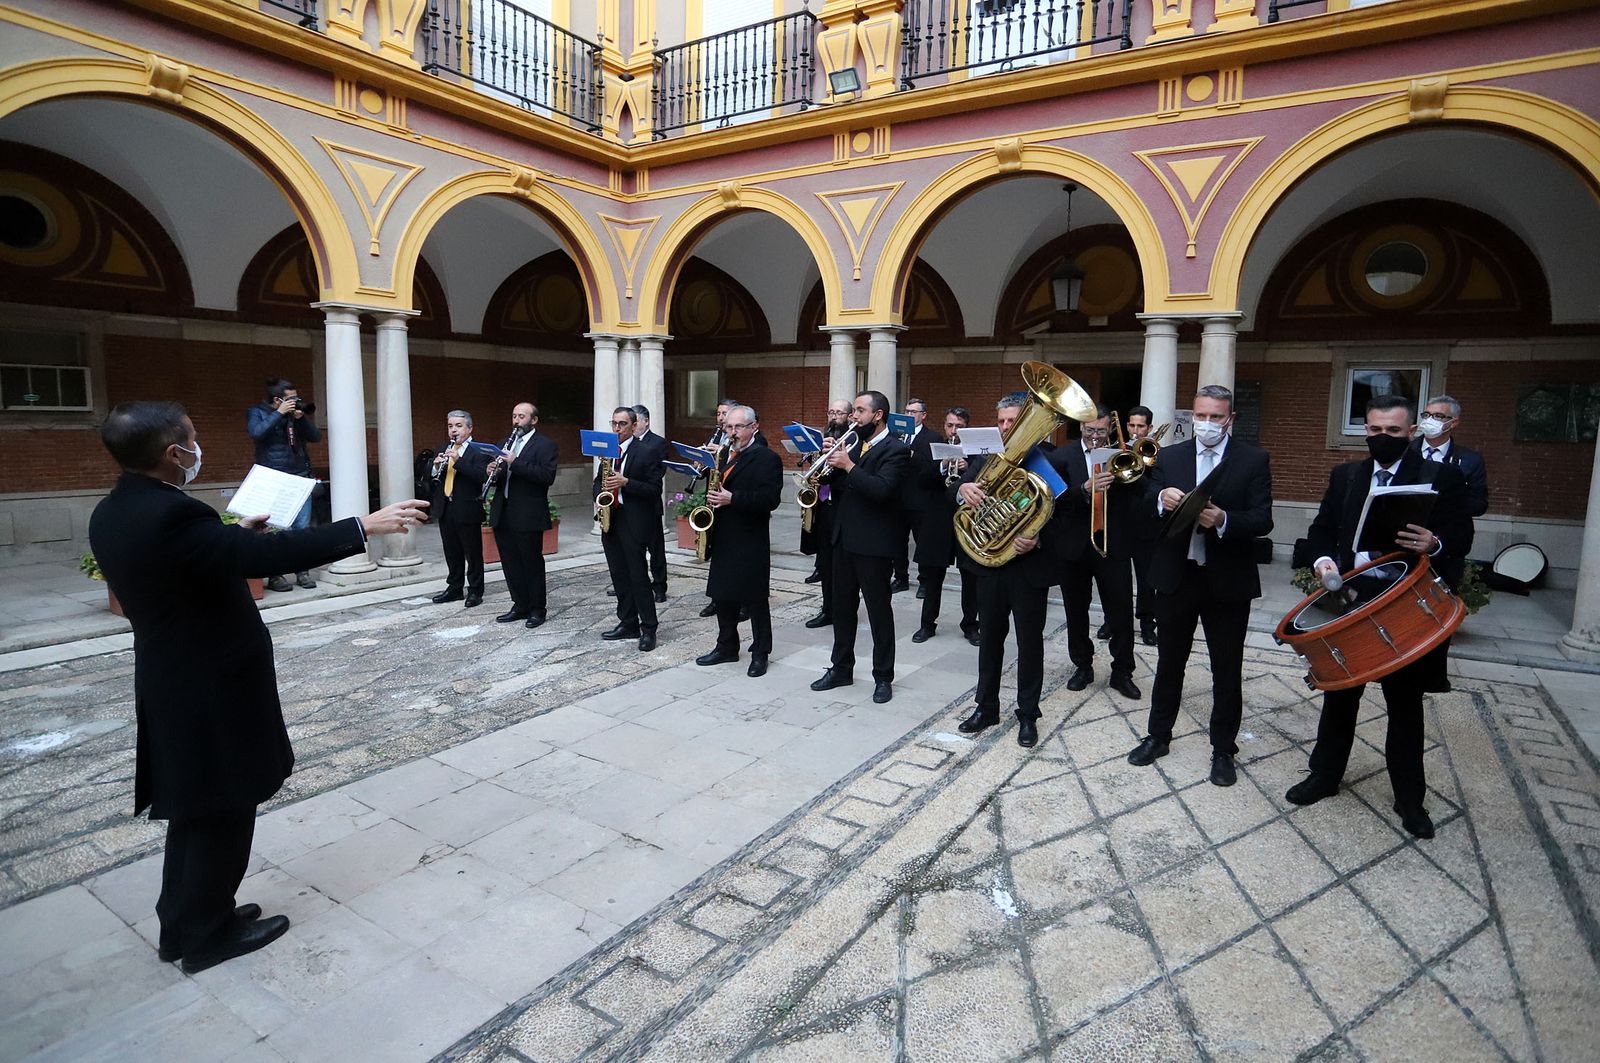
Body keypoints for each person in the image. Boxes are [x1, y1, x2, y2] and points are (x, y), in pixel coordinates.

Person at [88, 401, 425, 973]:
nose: (198, 448)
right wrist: (363, 525)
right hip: (208, 684)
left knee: (196, 808)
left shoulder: (115, 509)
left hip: (174, 675)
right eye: (192, 439)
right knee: (223, 805)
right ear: (174, 453)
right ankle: (205, 936)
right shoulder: (172, 515)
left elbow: (195, 562)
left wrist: (232, 536)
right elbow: (268, 555)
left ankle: (189, 920)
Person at [1289, 394, 1474, 839]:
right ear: (1365, 431)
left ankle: (1410, 799)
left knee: (1405, 705)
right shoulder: (1347, 476)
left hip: (1405, 603)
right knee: (1339, 694)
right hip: (1350, 598)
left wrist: (1435, 542)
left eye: (1392, 431)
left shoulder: (1440, 476)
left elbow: (1462, 535)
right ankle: (1325, 776)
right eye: (1374, 430)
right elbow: (1320, 532)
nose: (1382, 438)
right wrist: (1322, 562)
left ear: (1411, 432)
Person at [1126, 385, 1274, 788]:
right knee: (1170, 663)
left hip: (1227, 580)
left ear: (1230, 419)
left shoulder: (1253, 459)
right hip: (1178, 576)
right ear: (1191, 416)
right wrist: (1160, 498)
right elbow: (1143, 507)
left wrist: (1224, 520)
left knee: (1227, 668)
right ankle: (1158, 735)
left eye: (1216, 417)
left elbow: (1263, 519)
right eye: (1200, 416)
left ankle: (1224, 749)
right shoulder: (1169, 456)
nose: (1207, 424)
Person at [954, 394, 1063, 747]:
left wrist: (1038, 539)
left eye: (1011, 421)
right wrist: (963, 490)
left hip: (1029, 570)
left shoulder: (1049, 462)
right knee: (990, 641)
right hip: (990, 567)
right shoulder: (987, 460)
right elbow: (954, 497)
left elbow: (1066, 517)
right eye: (1000, 421)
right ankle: (986, 707)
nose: (1005, 428)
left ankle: (1028, 715)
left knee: (1030, 644)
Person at [811, 390, 909, 704]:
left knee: (879, 612)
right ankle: (841, 668)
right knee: (842, 608)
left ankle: (883, 676)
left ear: (878, 415)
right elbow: (841, 488)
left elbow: (882, 490)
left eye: (861, 412)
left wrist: (849, 466)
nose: (854, 417)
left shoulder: (896, 449)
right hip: (844, 539)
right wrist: (827, 467)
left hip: (875, 544)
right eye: (854, 411)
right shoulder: (855, 444)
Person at [1055, 408, 1141, 701]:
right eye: (1089, 430)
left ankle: (1122, 671)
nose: (1094, 437)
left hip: (1113, 546)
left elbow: (1139, 493)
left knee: (1120, 612)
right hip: (1075, 546)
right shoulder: (1062, 456)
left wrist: (1127, 474)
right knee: (1075, 612)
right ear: (1081, 426)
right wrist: (1084, 489)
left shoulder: (1120, 454)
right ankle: (1082, 665)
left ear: (1109, 431)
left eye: (1100, 432)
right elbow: (1054, 499)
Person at [694, 405, 782, 677]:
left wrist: (734, 499)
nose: (732, 432)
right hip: (723, 533)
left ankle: (760, 652)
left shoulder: (766, 457)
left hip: (750, 535)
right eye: (728, 427)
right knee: (722, 594)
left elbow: (771, 500)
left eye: (738, 427)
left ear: (754, 427)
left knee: (755, 598)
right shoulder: (722, 454)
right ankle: (727, 646)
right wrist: (703, 467)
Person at [486, 402, 558, 628]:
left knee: (531, 562)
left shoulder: (545, 445)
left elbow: (546, 476)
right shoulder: (503, 444)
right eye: (514, 416)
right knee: (510, 562)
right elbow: (500, 480)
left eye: (521, 416)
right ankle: (519, 604)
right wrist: (492, 472)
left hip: (528, 513)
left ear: (533, 420)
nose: (516, 421)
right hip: (504, 510)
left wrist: (515, 462)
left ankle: (537, 608)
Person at [246, 377, 322, 592]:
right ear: (277, 399)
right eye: (292, 399)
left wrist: (300, 419)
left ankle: (302, 571)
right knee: (273, 529)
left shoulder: (294, 416)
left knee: (301, 528)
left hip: (299, 476)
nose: (296, 401)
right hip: (273, 478)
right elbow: (256, 433)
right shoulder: (257, 412)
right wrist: (278, 413)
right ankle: (275, 574)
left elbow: (315, 437)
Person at [597, 406, 663, 651]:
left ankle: (648, 628)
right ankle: (627, 622)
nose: (616, 429)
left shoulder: (647, 451)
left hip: (634, 520)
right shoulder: (608, 453)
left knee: (637, 576)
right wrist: (598, 496)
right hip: (611, 517)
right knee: (619, 575)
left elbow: (655, 489)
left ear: (634, 427)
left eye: (622, 424)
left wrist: (626, 483)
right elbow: (598, 481)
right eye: (614, 423)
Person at [911, 406, 979, 645]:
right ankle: (927, 624)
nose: (953, 430)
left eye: (959, 426)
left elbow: (986, 481)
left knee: (970, 576)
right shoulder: (934, 447)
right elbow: (920, 479)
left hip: (967, 521)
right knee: (932, 577)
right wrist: (943, 466)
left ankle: (971, 625)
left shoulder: (978, 453)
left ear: (967, 427)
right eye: (950, 425)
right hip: (938, 519)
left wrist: (967, 470)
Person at [430, 410, 492, 608]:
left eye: (458, 426)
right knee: (451, 551)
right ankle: (454, 588)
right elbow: (430, 477)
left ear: (469, 428)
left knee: (472, 552)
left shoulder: (479, 450)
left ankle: (475, 590)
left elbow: (481, 476)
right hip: (446, 507)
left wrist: (458, 460)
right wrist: (434, 466)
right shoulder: (443, 447)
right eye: (450, 426)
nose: (453, 430)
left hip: (467, 507)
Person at [801, 401, 851, 622]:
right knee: (825, 563)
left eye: (839, 412)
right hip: (822, 507)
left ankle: (842, 610)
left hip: (842, 508)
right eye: (831, 412)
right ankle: (827, 609)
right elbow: (815, 474)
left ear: (849, 416)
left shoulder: (853, 442)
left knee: (842, 568)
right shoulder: (823, 438)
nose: (834, 416)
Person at [1411, 394, 1488, 517]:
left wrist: (1448, 500)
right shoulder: (1405, 451)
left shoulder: (1470, 460)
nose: (1429, 420)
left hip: (1445, 528)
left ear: (1453, 423)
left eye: (1438, 416)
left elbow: (1480, 504)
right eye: (1426, 415)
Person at [1123, 405, 1161, 646]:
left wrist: (1146, 460)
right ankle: (1113, 621)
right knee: (1118, 579)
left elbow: (1153, 489)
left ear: (1150, 428)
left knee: (1147, 580)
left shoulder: (1157, 454)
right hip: (1120, 525)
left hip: (1147, 526)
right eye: (1132, 425)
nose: (1136, 431)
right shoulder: (1116, 450)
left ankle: (1148, 624)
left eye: (1141, 426)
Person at [632, 404, 670, 605]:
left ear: (646, 421)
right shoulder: (624, 443)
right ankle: (635, 583)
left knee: (655, 549)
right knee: (632, 549)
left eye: (636, 421)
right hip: (629, 505)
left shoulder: (657, 443)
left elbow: (658, 472)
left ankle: (660, 587)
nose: (634, 425)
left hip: (649, 503)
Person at [891, 398, 930, 594]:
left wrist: (911, 454)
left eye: (913, 412)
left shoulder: (932, 436)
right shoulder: (896, 435)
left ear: (923, 415)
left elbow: (931, 465)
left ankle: (924, 580)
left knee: (922, 542)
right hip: (897, 497)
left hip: (918, 497)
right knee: (898, 541)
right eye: (906, 411)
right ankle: (900, 577)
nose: (909, 415)